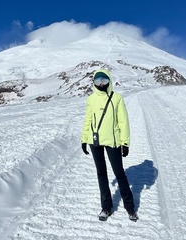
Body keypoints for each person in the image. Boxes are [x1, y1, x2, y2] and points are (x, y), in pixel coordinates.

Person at [81, 69, 138, 222]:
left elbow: (123, 121)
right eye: (98, 80)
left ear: (109, 81)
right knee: (101, 174)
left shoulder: (117, 98)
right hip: (95, 141)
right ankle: (106, 207)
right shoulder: (91, 99)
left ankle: (130, 208)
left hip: (113, 142)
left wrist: (125, 142)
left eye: (104, 80)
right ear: (93, 82)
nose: (101, 83)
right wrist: (84, 139)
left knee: (119, 173)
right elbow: (88, 120)